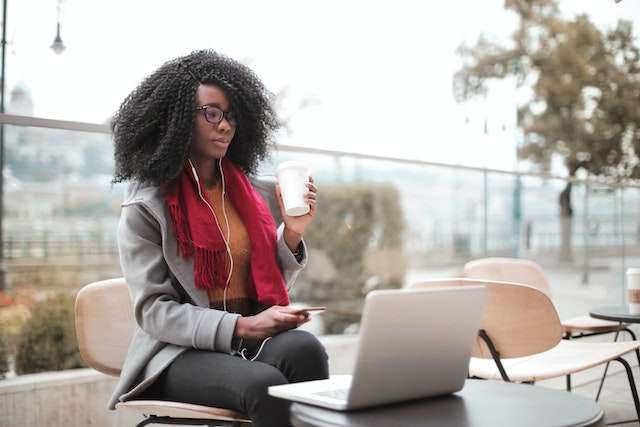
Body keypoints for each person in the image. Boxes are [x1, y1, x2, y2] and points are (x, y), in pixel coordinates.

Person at [106, 49, 329, 427]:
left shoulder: (251, 193)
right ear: (175, 118)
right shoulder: (147, 205)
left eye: (231, 115)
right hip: (177, 353)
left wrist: (292, 232)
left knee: (307, 349)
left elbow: (264, 280)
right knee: (265, 385)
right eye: (211, 113)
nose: (225, 125)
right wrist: (243, 327)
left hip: (245, 340)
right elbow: (154, 312)